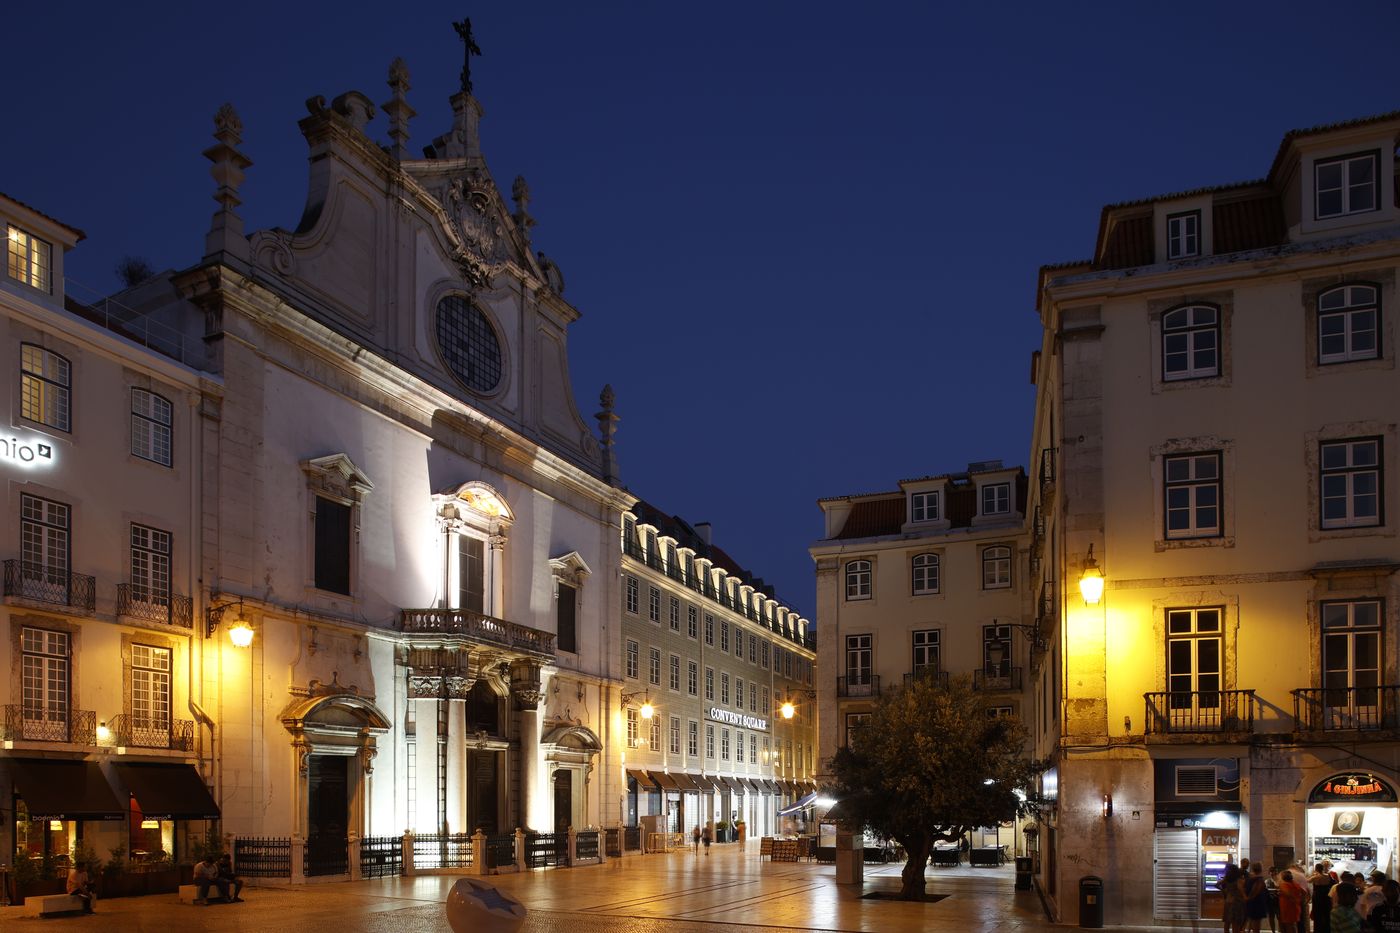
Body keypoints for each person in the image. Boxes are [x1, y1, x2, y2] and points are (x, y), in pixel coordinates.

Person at [1246, 863, 1272, 933]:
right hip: (1257, 903)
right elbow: (1256, 890)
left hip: (1252, 903)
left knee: (1252, 921)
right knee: (1256, 925)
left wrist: (1247, 899)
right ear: (1260, 869)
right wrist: (1250, 898)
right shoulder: (1258, 879)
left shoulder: (1250, 878)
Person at [1221, 865, 1247, 933]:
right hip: (1236, 903)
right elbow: (1240, 888)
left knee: (1227, 923)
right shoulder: (1238, 880)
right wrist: (1245, 897)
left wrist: (1223, 890)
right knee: (1235, 924)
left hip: (1228, 902)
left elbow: (1216, 884)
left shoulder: (1227, 879)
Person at [1311, 863, 1336, 933]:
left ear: (1316, 869)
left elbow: (1308, 880)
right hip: (1326, 895)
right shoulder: (1328, 875)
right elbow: (1333, 882)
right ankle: (1327, 929)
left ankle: (1318, 930)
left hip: (1318, 895)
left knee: (1317, 913)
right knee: (1326, 912)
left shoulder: (1316, 877)